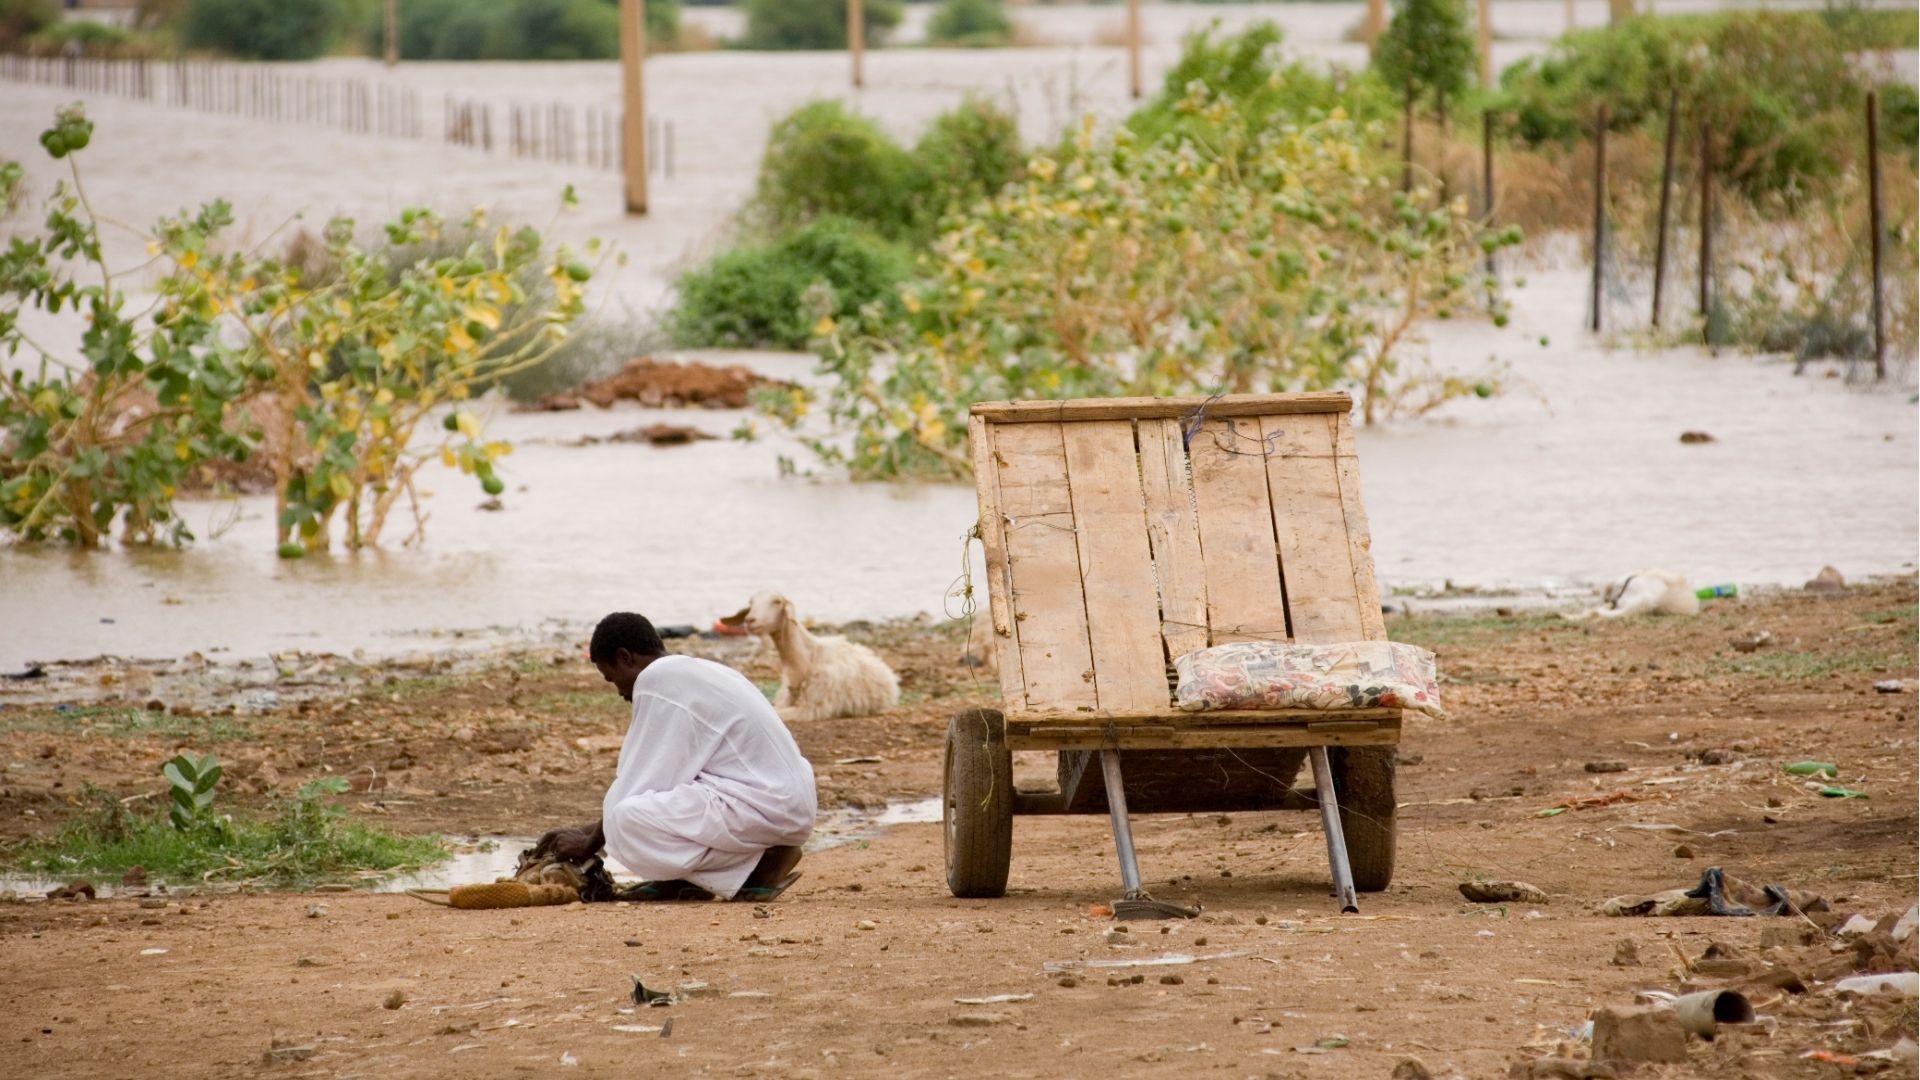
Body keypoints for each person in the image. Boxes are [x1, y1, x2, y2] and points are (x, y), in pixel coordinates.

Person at [532, 612, 817, 901]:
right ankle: (698, 878)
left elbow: (638, 787)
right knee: (631, 813)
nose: (618, 690)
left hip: (765, 806)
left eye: (612, 677)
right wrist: (586, 832)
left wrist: (586, 843)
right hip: (784, 803)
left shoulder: (657, 680)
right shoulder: (699, 670)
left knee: (626, 820)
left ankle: (761, 864)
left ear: (625, 657)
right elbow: (666, 780)